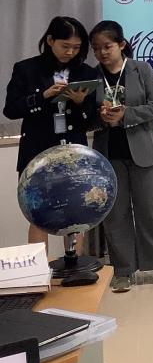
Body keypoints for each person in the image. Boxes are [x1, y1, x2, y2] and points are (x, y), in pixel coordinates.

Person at [89, 20, 153, 293]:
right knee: (115, 214)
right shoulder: (92, 77)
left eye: (107, 46)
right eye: (96, 48)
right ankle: (123, 270)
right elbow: (85, 117)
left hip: (144, 150)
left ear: (121, 44)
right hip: (109, 153)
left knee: (152, 211)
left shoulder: (141, 69)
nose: (102, 52)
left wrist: (126, 114)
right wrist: (101, 117)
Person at [4, 16, 97, 244]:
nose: (70, 52)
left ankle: (75, 263)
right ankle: (39, 266)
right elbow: (11, 110)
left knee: (77, 211)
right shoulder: (26, 69)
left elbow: (91, 118)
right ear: (50, 40)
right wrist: (42, 96)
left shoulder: (85, 72)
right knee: (38, 214)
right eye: (65, 46)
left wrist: (80, 102)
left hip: (74, 149)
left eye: (76, 48)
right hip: (38, 148)